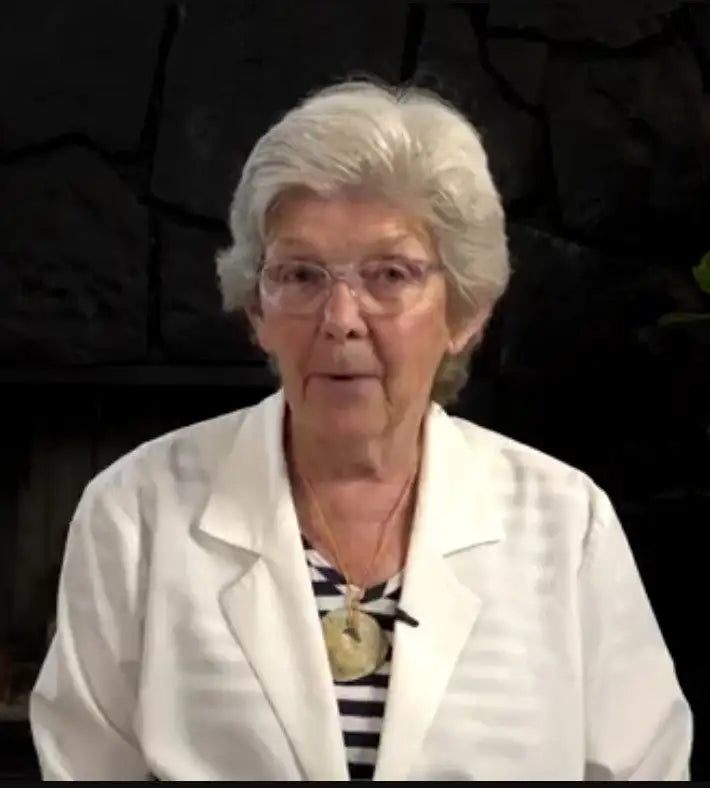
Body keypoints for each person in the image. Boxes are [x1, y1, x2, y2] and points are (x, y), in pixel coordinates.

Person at [29, 78, 692, 781]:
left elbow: (642, 769)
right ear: (256, 309)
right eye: (301, 275)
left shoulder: (565, 522)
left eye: (390, 274)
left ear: (464, 312)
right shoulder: (135, 512)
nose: (340, 316)